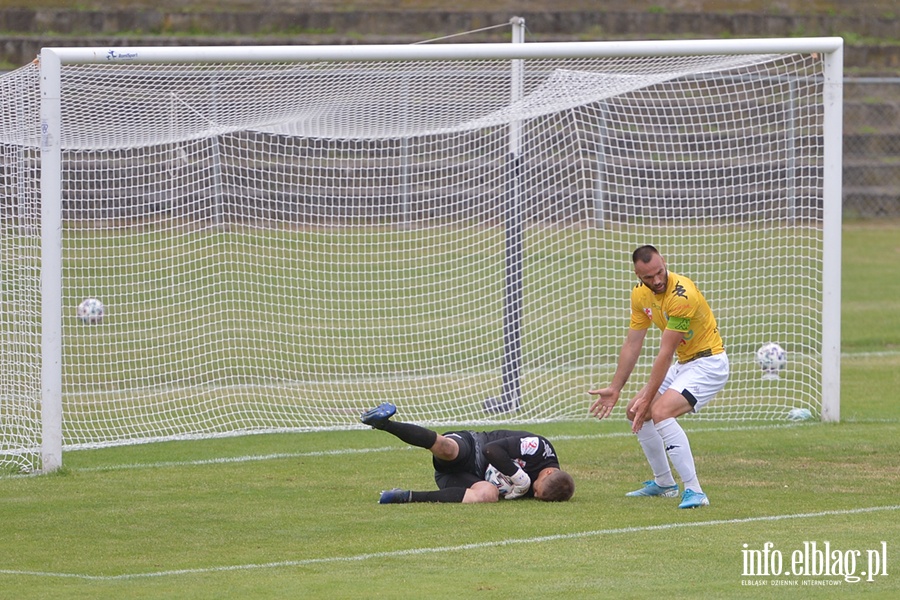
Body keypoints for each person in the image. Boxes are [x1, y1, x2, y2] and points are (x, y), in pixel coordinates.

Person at [588, 245, 728, 509]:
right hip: (685, 363)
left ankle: (696, 491)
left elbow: (665, 353)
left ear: (664, 262)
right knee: (634, 410)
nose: (657, 280)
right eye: (648, 278)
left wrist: (649, 400)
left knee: (660, 411)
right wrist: (615, 388)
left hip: (709, 363)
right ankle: (664, 483)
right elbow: (633, 343)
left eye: (659, 272)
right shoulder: (640, 296)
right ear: (637, 275)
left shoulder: (682, 294)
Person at [360, 402, 575, 504]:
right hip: (473, 447)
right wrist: (522, 479)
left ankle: (403, 497)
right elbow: (492, 450)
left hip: (465, 478)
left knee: (487, 496)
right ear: (547, 473)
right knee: (447, 448)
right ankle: (384, 423)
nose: (533, 494)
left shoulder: (547, 488)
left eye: (535, 496)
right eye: (536, 490)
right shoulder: (538, 447)